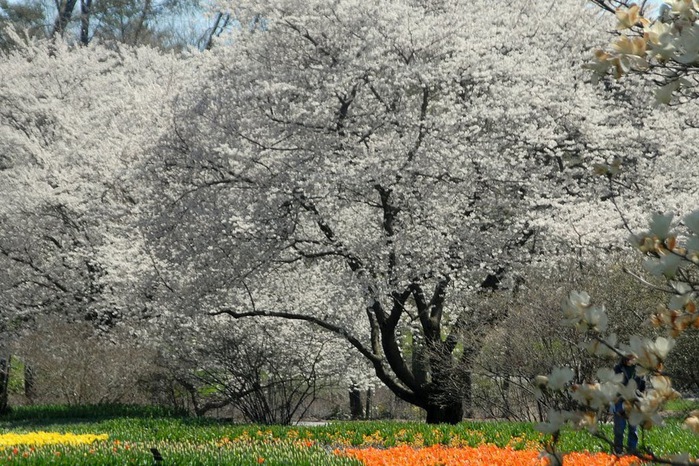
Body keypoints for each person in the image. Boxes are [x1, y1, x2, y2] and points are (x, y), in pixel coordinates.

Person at [612, 353, 646, 455]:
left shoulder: (640, 370)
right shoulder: (618, 369)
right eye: (628, 356)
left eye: (632, 357)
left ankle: (632, 451)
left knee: (633, 428)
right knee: (619, 428)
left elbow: (643, 386)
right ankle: (618, 451)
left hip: (634, 401)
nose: (630, 359)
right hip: (620, 401)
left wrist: (640, 397)